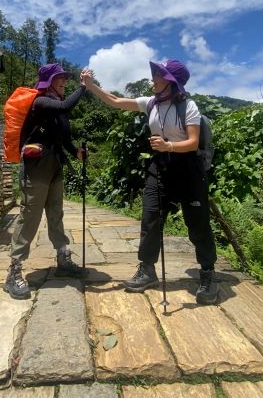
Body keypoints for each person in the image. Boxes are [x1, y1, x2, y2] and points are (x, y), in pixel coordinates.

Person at [81, 60, 218, 304]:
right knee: (151, 217)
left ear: (171, 82)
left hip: (188, 169)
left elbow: (194, 142)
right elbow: (115, 102)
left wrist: (169, 145)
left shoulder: (189, 106)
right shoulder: (151, 103)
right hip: (160, 167)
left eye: (158, 75)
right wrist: (91, 86)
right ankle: (147, 269)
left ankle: (207, 273)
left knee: (197, 224)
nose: (153, 78)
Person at [4, 63, 87, 300]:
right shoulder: (40, 102)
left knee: (55, 212)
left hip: (55, 166)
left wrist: (76, 152)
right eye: (59, 78)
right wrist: (83, 86)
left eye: (64, 78)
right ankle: (14, 272)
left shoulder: (57, 110)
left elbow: (65, 139)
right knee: (30, 215)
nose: (63, 81)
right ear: (47, 82)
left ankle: (63, 258)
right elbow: (65, 104)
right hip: (37, 167)